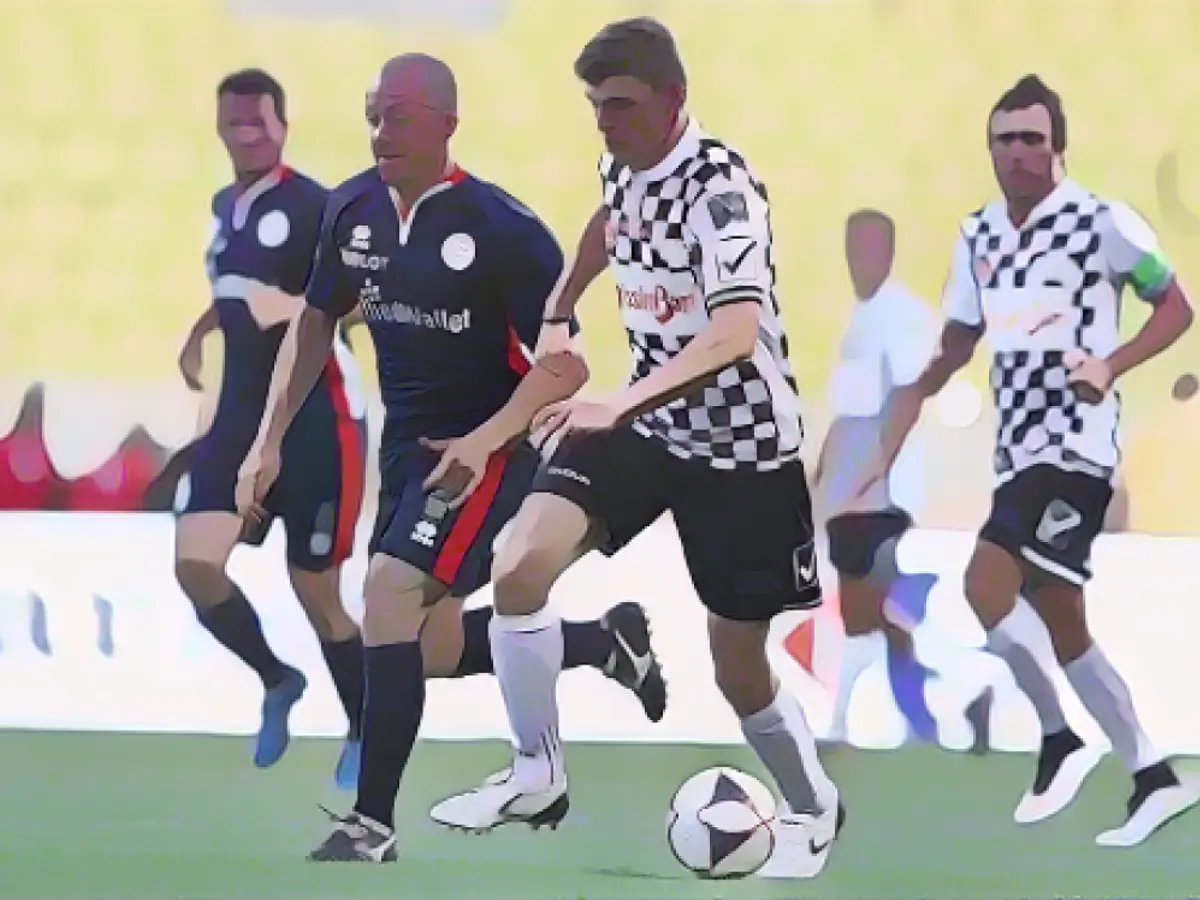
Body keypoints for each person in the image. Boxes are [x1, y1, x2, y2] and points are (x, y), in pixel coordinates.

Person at [428, 18, 843, 880]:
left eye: (620, 106)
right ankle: (536, 772)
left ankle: (812, 808)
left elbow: (735, 333)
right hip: (649, 426)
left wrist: (617, 398)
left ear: (673, 101)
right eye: (596, 108)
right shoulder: (623, 162)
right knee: (519, 567)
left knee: (738, 666)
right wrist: (559, 304)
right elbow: (609, 220)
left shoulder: (723, 192)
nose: (605, 123)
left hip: (744, 451)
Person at [235, 53, 667, 864]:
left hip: (493, 448)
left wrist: (486, 438)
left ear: (445, 124)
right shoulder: (351, 211)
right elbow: (313, 324)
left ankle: (370, 824)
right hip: (412, 454)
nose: (379, 131)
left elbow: (566, 365)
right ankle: (604, 644)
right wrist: (266, 444)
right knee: (421, 647)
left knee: (387, 595)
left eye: (397, 115)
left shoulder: (503, 230)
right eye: (372, 113)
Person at [865, 74, 1197, 846]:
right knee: (1062, 617)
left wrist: (1111, 365)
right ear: (991, 149)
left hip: (1074, 450)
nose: (1019, 153)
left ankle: (1059, 739)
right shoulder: (978, 235)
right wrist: (916, 393)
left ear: (1059, 148)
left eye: (1033, 139)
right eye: (1006, 139)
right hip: (1017, 451)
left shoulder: (1100, 223)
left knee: (986, 582)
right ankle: (1151, 775)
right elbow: (961, 336)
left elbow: (1175, 305)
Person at [174, 68, 369, 788]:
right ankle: (276, 677)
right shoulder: (226, 205)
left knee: (315, 591)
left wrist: (286, 309)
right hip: (237, 416)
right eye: (235, 124)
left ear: (283, 124)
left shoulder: (317, 205)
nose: (248, 135)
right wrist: (200, 332)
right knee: (195, 564)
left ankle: (364, 730)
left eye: (260, 122)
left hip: (314, 419)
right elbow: (234, 286)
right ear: (221, 128)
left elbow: (356, 302)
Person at [816, 209, 993, 749]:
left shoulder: (899, 318)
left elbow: (909, 398)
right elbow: (854, 408)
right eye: (851, 249)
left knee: (870, 610)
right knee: (881, 614)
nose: (857, 262)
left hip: (878, 495)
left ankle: (847, 721)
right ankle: (960, 692)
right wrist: (822, 474)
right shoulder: (865, 317)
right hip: (855, 491)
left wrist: (873, 473)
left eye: (867, 249)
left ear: (888, 253)